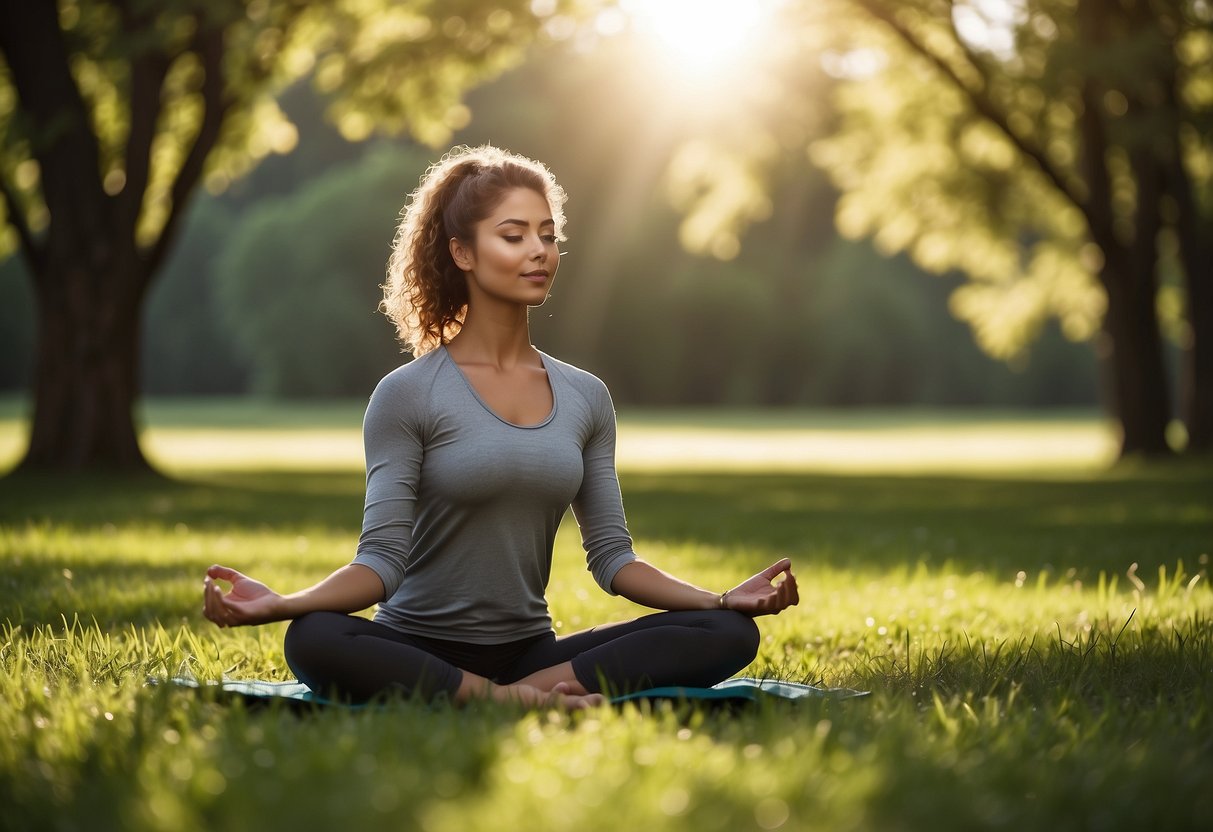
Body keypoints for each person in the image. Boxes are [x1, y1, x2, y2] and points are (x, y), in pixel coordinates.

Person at [202, 145, 798, 709]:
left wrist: (719, 599)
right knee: (313, 638)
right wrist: (285, 603)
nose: (539, 251)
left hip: (531, 653)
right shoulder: (407, 393)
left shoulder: (586, 396)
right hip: (415, 649)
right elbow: (380, 564)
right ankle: (509, 701)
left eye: (548, 235)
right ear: (463, 253)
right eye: (514, 236)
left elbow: (614, 559)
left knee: (726, 632)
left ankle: (513, 693)